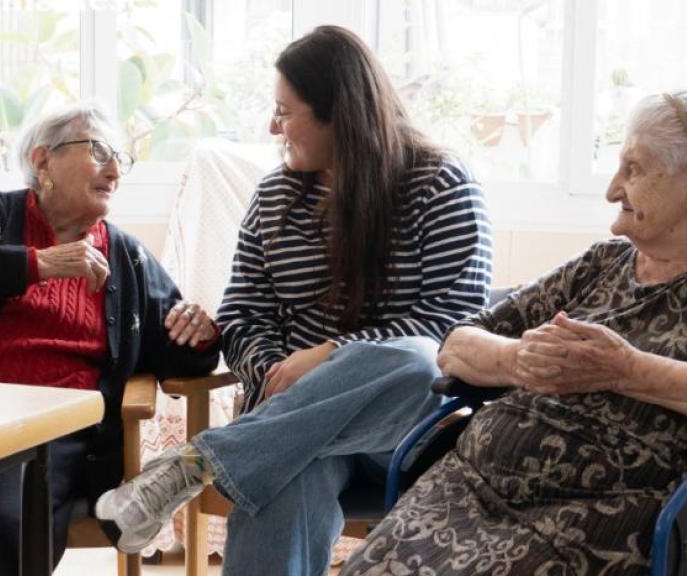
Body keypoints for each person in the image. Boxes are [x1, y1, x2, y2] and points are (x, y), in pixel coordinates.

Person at [341, 90, 687, 575]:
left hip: (593, 517)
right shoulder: (603, 264)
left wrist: (627, 370)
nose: (612, 189)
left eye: (634, 169)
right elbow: (458, 342)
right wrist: (518, 360)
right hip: (468, 488)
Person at [95, 25, 493, 574]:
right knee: (283, 475)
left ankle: (198, 462)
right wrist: (281, 372)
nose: (272, 126)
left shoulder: (441, 185)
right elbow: (241, 316)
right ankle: (235, 453)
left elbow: (459, 328)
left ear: (341, 113)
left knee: (416, 359)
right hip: (287, 426)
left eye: (285, 111)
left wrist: (331, 355)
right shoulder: (275, 194)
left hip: (403, 430)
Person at [0, 103, 221, 576]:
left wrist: (198, 333)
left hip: (42, 442)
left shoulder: (128, 259)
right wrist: (40, 264)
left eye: (120, 158)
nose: (114, 169)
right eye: (98, 151)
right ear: (42, 160)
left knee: (7, 530)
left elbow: (177, 356)